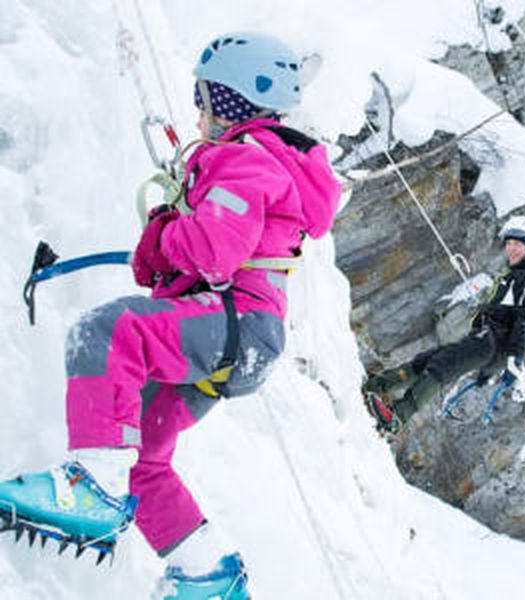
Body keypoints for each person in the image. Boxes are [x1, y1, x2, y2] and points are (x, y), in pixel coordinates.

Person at [0, 32, 340, 598]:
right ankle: (208, 574)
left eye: (203, 97)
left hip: (233, 322)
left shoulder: (245, 159)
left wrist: (162, 235)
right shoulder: (264, 163)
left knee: (104, 333)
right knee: (142, 457)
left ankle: (93, 489)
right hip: (239, 340)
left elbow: (213, 251)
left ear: (227, 99)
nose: (198, 111)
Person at [365, 215, 525, 431]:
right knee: (429, 359)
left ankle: (396, 417)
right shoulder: (518, 274)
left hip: (493, 343)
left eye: (517, 244)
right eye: (509, 243)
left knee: (442, 366)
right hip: (488, 341)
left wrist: (513, 359)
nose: (511, 249)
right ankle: (378, 386)